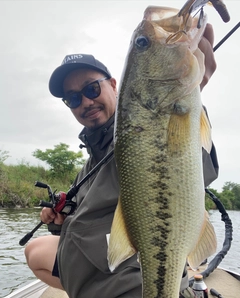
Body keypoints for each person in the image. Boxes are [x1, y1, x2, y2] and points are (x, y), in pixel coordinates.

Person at [24, 23, 219, 298]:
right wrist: (60, 220)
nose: (85, 102)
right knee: (34, 249)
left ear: (114, 85)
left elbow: (188, 162)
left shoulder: (138, 133)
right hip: (87, 269)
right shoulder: (91, 160)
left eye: (92, 89)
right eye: (73, 98)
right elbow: (85, 213)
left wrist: (185, 96)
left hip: (129, 282)